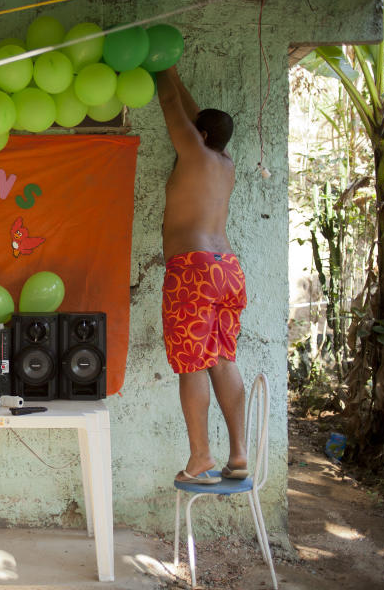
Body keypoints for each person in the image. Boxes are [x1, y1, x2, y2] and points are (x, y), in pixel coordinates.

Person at [156, 66, 249, 485]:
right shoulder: (225, 162)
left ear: (202, 137)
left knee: (192, 364)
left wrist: (161, 73)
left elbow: (173, 108)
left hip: (192, 271)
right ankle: (239, 454)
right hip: (227, 270)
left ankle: (200, 457)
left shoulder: (193, 152)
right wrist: (178, 75)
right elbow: (201, 119)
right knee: (223, 360)